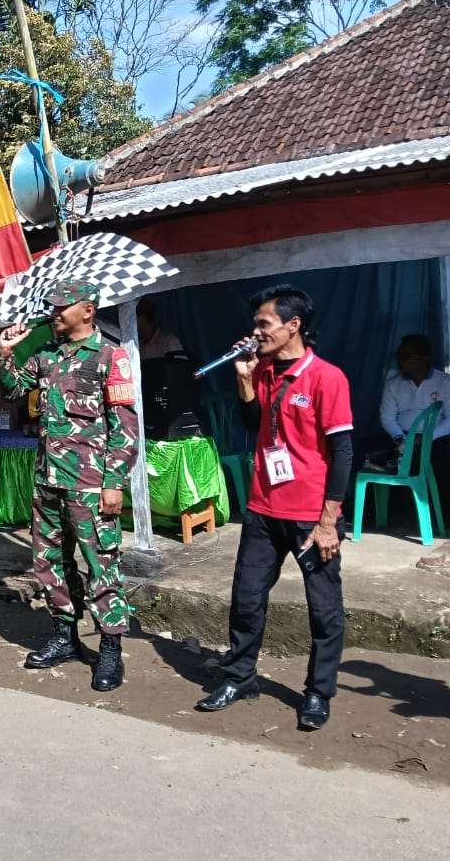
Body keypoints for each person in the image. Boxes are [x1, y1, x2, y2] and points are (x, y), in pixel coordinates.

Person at [196, 285, 351, 731]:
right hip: (263, 508)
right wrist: (244, 379)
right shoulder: (261, 369)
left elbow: (342, 452)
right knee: (246, 598)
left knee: (323, 609)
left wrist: (328, 521)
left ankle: (318, 692)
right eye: (255, 324)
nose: (256, 331)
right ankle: (239, 677)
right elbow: (253, 424)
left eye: (264, 324)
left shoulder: (326, 377)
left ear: (293, 325)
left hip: (310, 516)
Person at [0, 281, 138, 692]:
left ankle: (110, 646)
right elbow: (12, 390)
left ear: (88, 310)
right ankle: (65, 635)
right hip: (48, 481)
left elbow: (125, 427)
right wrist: (6, 354)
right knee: (50, 563)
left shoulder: (110, 356)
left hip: (90, 485)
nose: (55, 313)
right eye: (53, 307)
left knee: (101, 565)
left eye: (63, 307)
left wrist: (114, 483)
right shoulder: (46, 355)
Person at [373, 334, 450, 514]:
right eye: (398, 355)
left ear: (424, 359)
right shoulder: (393, 384)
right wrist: (402, 439)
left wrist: (426, 438)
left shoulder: (444, 382)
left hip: (436, 438)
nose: (400, 360)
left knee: (444, 459)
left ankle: (442, 514)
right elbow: (387, 418)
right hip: (401, 436)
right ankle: (381, 512)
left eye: (405, 356)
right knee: (368, 450)